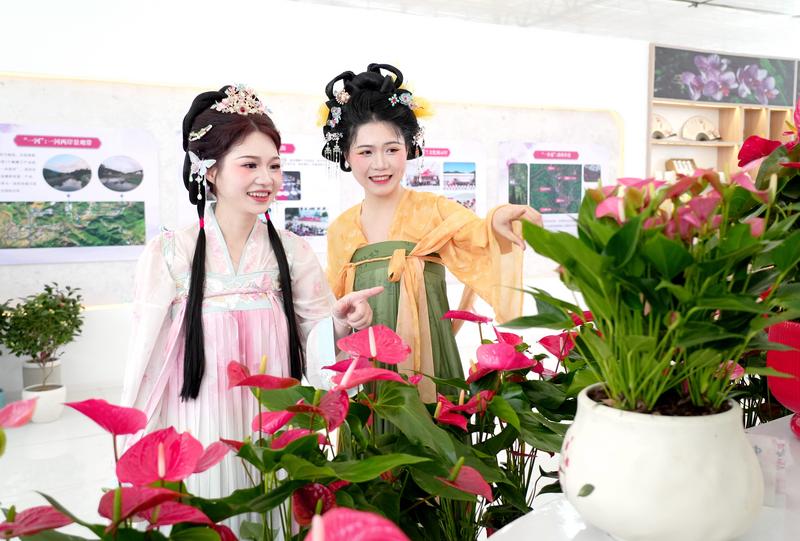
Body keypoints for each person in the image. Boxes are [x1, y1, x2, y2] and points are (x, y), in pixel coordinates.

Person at [121, 85, 380, 501]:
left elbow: (315, 333)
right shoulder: (170, 253)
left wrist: (339, 321)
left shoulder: (292, 251)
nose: (266, 178)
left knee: (273, 512)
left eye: (274, 165)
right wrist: (139, 438)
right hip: (201, 421)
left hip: (275, 421)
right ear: (210, 171)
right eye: (249, 165)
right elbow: (146, 356)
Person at [322, 64, 542, 402]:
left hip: (432, 364)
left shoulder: (434, 210)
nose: (380, 164)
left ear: (409, 148)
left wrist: (499, 219)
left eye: (391, 149)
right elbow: (333, 310)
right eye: (366, 152)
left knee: (436, 429)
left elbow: (480, 237)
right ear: (347, 155)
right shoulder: (341, 230)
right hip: (369, 376)